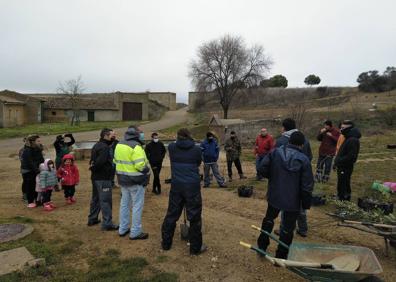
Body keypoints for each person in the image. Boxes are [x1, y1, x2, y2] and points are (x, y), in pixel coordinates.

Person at [257, 131, 314, 259]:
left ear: (289, 141)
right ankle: (281, 256)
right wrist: (305, 203)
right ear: (301, 145)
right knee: (287, 229)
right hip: (292, 201)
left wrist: (274, 178)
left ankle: (261, 246)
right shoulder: (304, 159)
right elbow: (307, 185)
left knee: (268, 220)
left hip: (274, 195)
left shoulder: (275, 152)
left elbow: (261, 169)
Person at [161, 128, 206, 255]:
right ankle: (195, 248)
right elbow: (198, 162)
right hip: (192, 186)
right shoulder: (197, 149)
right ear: (189, 136)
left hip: (177, 185)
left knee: (172, 214)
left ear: (178, 136)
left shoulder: (171, 147)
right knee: (195, 217)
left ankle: (166, 243)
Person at [275, 118, 312, 237]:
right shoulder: (303, 139)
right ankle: (303, 229)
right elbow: (309, 156)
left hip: (287, 179)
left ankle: (284, 229)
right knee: (300, 206)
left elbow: (276, 160)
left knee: (286, 205)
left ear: (284, 128)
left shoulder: (281, 141)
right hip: (303, 176)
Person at [114, 125, 150, 239]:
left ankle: (123, 229)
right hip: (136, 181)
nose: (143, 134)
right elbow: (140, 165)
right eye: (141, 132)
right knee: (137, 206)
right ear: (136, 134)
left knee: (124, 205)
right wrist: (147, 169)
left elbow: (115, 160)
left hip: (123, 180)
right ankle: (135, 232)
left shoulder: (119, 144)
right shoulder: (136, 146)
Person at [88, 128, 119, 231]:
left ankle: (92, 218)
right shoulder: (105, 147)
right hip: (103, 178)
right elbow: (100, 162)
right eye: (112, 136)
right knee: (105, 200)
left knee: (96, 198)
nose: (114, 138)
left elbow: (92, 161)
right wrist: (94, 168)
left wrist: (93, 168)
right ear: (106, 136)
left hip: (95, 178)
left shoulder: (97, 145)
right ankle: (107, 223)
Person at [333, 120, 361, 201]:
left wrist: (339, 160)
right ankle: (340, 196)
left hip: (346, 167)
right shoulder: (347, 137)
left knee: (344, 183)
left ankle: (344, 199)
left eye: (343, 128)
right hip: (341, 165)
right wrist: (337, 161)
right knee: (341, 182)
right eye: (341, 127)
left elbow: (352, 157)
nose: (341, 129)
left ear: (349, 128)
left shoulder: (353, 140)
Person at [21, 135, 44, 208]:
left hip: (36, 170)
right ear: (32, 142)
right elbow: (30, 162)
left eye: (40, 141)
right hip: (28, 171)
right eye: (38, 141)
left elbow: (41, 159)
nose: (40, 142)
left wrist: (43, 167)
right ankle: (30, 202)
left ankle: (37, 200)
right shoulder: (27, 150)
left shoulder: (38, 149)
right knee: (30, 186)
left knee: (37, 185)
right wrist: (37, 170)